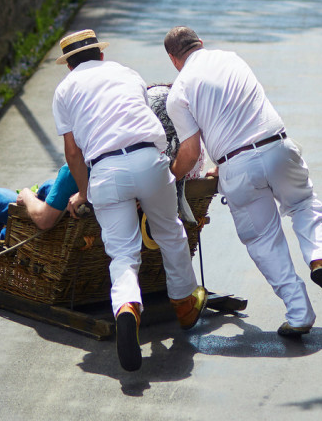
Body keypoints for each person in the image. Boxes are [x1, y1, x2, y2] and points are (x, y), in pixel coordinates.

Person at [17, 29, 207, 372]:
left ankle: (127, 307)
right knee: (169, 232)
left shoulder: (65, 90)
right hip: (148, 159)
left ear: (69, 65)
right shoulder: (126, 73)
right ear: (100, 55)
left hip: (105, 170)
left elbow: (73, 153)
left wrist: (86, 192)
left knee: (122, 253)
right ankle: (183, 304)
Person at [162, 26, 322, 339]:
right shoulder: (231, 59)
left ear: (173, 58)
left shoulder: (179, 91)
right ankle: (321, 258)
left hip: (236, 167)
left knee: (264, 240)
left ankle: (300, 314)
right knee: (304, 204)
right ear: (201, 44)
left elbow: (191, 150)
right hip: (276, 146)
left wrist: (170, 177)